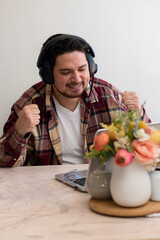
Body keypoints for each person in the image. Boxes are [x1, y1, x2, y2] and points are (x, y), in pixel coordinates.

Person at [0, 34, 151, 167]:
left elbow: (150, 148)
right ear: (48, 74)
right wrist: (19, 131)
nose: (77, 79)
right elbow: (4, 164)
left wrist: (138, 114)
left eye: (82, 69)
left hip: (102, 183)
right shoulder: (29, 104)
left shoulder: (109, 96)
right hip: (48, 190)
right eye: (66, 72)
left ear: (91, 67)